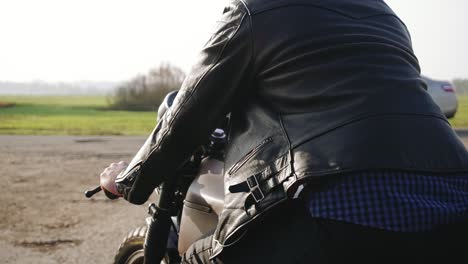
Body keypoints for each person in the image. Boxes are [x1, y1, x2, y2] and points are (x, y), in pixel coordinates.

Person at [99, 0, 468, 263]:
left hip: (338, 211)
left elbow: (186, 118)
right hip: (453, 208)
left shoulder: (253, 11)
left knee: (198, 258)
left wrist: (129, 180)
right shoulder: (384, 14)